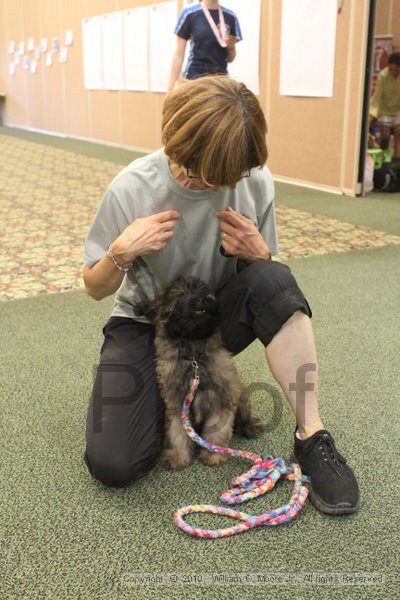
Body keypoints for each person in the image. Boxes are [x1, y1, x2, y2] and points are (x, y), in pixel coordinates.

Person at [82, 75, 359, 516]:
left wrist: (259, 253)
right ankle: (179, 396)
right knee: (113, 463)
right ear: (176, 146)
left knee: (274, 277)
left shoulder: (253, 179)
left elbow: (267, 286)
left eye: (225, 178)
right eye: (202, 176)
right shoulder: (131, 188)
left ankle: (312, 434)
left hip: (216, 315)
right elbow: (93, 287)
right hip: (148, 322)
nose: (213, 188)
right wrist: (121, 252)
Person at [168, 0, 241, 91]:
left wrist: (231, 48)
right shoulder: (189, 14)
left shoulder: (231, 17)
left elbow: (230, 59)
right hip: (194, 79)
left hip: (220, 82)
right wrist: (170, 87)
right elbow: (178, 55)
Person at [369, 51, 400, 162]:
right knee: (385, 134)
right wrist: (372, 113)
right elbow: (376, 97)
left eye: (396, 70)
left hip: (398, 110)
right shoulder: (382, 75)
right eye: (391, 69)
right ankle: (383, 158)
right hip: (384, 109)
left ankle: (397, 160)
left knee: (398, 132)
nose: (393, 72)